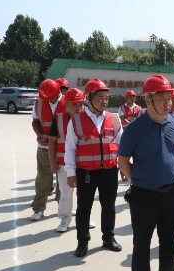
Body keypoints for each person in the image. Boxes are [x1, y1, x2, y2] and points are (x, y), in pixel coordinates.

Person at [117, 75, 174, 271]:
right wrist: (141, 178)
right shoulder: (135, 129)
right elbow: (123, 160)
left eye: (170, 98)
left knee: (169, 243)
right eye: (162, 98)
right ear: (148, 100)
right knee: (142, 244)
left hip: (171, 193)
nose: (168, 103)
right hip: (144, 196)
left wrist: (168, 173)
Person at [65, 79, 124, 257]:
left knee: (109, 206)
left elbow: (121, 146)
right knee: (84, 208)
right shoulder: (76, 121)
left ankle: (108, 238)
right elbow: (70, 148)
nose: (104, 101)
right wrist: (70, 173)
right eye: (100, 98)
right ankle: (83, 241)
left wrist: (123, 168)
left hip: (109, 171)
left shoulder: (115, 119)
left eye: (106, 97)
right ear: (89, 98)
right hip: (86, 173)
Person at [47, 88, 85, 232]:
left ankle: (84, 217)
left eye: (80, 104)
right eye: (74, 104)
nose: (78, 108)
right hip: (64, 164)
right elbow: (52, 143)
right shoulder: (58, 119)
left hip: (84, 164)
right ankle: (65, 219)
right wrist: (53, 163)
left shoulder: (87, 118)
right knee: (66, 193)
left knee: (84, 193)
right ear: (67, 104)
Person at [30, 79, 66, 220]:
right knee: (43, 179)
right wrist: (39, 134)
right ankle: (38, 209)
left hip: (63, 148)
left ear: (58, 92)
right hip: (44, 147)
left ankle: (64, 207)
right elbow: (35, 122)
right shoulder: (39, 102)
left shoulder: (68, 102)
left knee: (63, 180)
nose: (48, 100)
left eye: (50, 97)